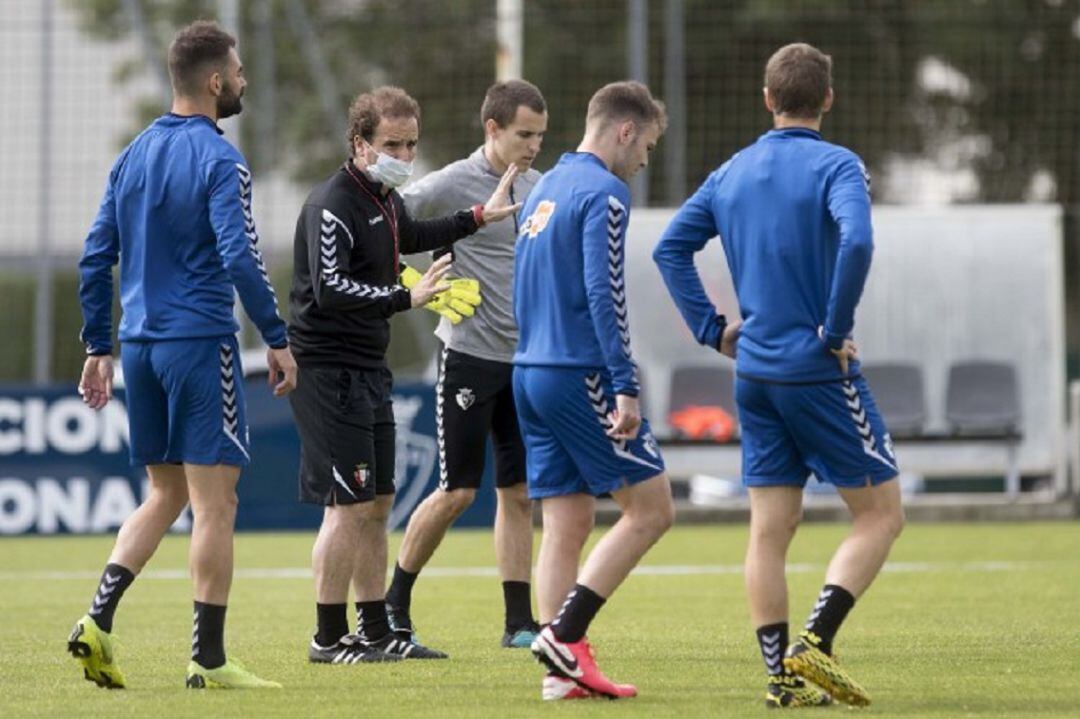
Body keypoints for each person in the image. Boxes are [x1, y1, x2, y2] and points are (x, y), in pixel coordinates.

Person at [653, 42, 904, 708]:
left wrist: (713, 330)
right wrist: (835, 327)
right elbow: (857, 240)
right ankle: (813, 644)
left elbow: (669, 246)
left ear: (767, 99)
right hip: (816, 370)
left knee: (769, 528)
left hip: (754, 373)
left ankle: (781, 676)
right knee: (880, 515)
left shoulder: (732, 171)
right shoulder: (837, 165)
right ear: (827, 98)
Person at [70, 21, 297, 690]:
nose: (244, 82)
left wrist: (98, 344)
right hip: (199, 344)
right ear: (216, 81)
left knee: (165, 492)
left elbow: (93, 257)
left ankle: (96, 619)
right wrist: (277, 337)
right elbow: (239, 256)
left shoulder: (134, 154)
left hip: (139, 347)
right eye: (239, 72)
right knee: (214, 502)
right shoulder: (221, 159)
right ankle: (208, 657)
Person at [288, 86, 521, 665]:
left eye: (412, 143)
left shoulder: (386, 199)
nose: (404, 153)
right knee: (346, 505)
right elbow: (329, 288)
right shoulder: (331, 202)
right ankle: (326, 637)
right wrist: (405, 296)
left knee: (377, 502)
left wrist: (474, 219)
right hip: (328, 370)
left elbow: (411, 237)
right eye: (392, 143)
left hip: (370, 368)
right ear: (360, 142)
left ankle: (376, 630)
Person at [513, 81, 674, 701]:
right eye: (648, 146)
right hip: (577, 371)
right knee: (653, 508)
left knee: (566, 521)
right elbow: (603, 293)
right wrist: (625, 387)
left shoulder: (545, 187)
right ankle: (566, 635)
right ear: (625, 130)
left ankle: (560, 676)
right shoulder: (606, 192)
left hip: (530, 373)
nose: (643, 161)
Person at [386, 79, 548, 650]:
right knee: (457, 491)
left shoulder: (540, 188)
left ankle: (518, 624)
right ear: (493, 129)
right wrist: (415, 285)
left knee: (520, 494)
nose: (533, 146)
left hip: (523, 362)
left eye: (540, 136)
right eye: (524, 134)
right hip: (467, 357)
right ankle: (393, 605)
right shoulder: (452, 183)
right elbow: (387, 231)